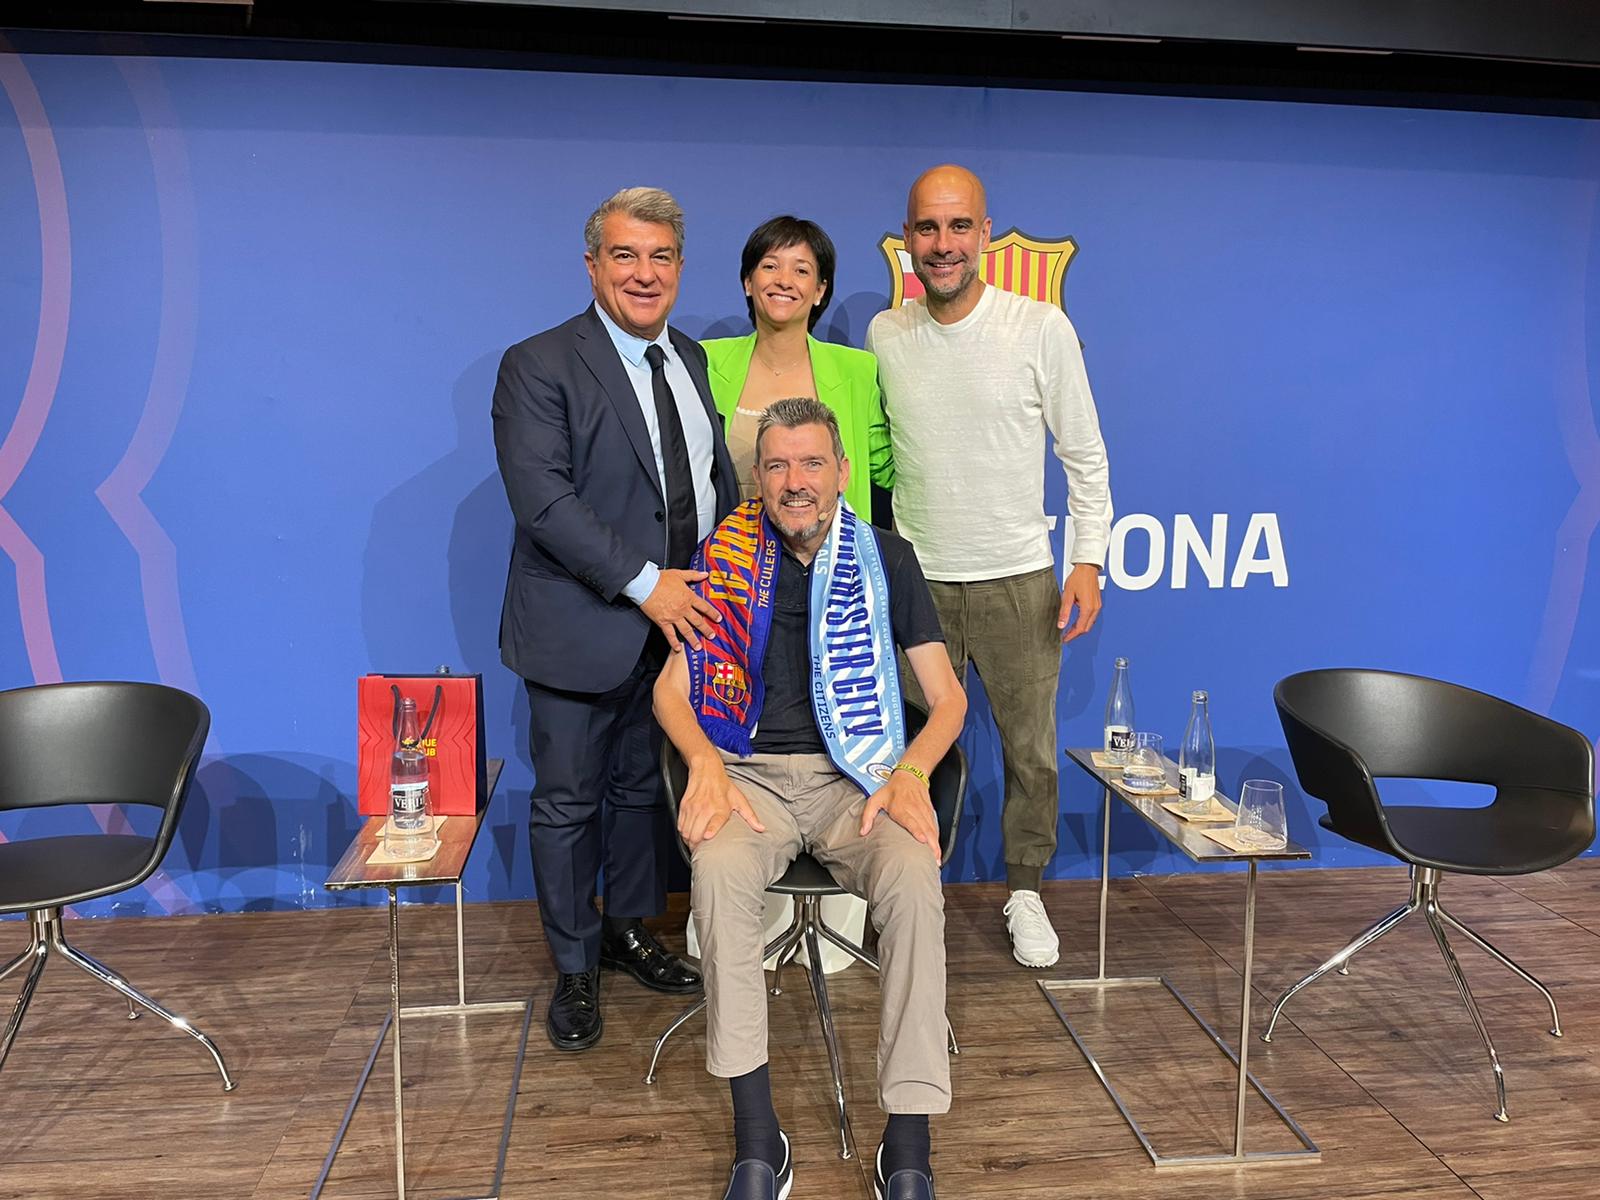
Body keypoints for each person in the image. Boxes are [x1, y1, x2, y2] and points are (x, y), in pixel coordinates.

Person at [655, 397, 966, 1200]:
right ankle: (759, 1142)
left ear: (841, 474)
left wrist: (912, 772)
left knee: (912, 879)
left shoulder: (887, 557)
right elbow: (669, 691)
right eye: (779, 465)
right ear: (758, 477)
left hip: (855, 783)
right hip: (750, 776)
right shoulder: (722, 561)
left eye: (812, 464)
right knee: (719, 879)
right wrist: (702, 762)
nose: (796, 481)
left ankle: (908, 1147)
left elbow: (949, 698)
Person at [493, 186, 740, 1051]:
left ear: (679, 267)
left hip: (679, 629)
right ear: (593, 264)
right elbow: (545, 502)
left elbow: (707, 486)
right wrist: (647, 584)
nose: (645, 274)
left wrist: (728, 578)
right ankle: (573, 965)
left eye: (661, 257)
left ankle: (632, 930)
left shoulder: (694, 360)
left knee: (642, 793)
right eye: (626, 256)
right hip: (582, 627)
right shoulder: (539, 363)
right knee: (568, 804)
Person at [867, 164, 1113, 969]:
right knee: (901, 744)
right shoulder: (883, 335)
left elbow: (1084, 455)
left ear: (984, 234)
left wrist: (1088, 560)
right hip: (917, 584)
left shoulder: (1039, 326)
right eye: (927, 229)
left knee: (1030, 753)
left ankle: (1027, 893)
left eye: (958, 227)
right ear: (908, 240)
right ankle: (894, 886)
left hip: (1017, 579)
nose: (943, 245)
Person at [702, 216, 894, 514]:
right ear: (748, 282)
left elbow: (891, 469)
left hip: (830, 556)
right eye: (770, 266)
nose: (784, 280)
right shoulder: (705, 363)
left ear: (819, 290)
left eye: (801, 270)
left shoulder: (857, 370)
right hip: (727, 555)